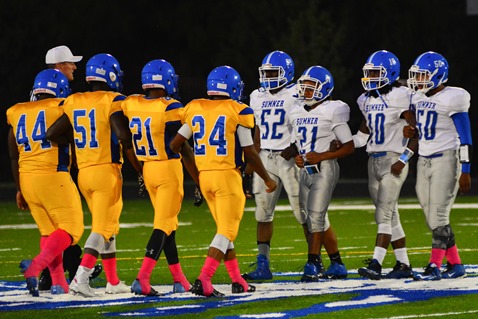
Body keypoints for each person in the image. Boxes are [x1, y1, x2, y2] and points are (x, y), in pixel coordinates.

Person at [170, 66, 277, 297]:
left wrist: (197, 178)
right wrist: (267, 178)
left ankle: (238, 280)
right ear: (234, 88)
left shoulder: (196, 108)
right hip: (227, 176)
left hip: (206, 176)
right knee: (227, 231)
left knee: (223, 231)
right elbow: (249, 152)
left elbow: (175, 144)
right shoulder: (237, 111)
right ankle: (204, 279)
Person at [46, 53, 143, 297]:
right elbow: (122, 136)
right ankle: (81, 278)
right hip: (105, 172)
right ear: (110, 75)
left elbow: (52, 133)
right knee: (102, 227)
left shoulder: (75, 100)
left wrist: (78, 144)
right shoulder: (112, 100)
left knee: (108, 226)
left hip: (84, 173)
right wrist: (139, 167)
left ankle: (112, 281)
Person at [242, 50, 340, 281]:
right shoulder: (257, 95)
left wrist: (299, 147)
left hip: (291, 161)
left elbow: (316, 116)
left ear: (286, 72)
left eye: (273, 72)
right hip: (265, 158)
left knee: (305, 214)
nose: (268, 77)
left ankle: (321, 262)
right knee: (262, 214)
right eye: (265, 72)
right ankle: (263, 265)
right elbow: (257, 132)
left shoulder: (298, 91)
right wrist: (250, 166)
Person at [121, 59, 199, 296]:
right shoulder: (170, 107)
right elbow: (183, 147)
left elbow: (126, 139)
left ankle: (179, 279)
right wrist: (198, 179)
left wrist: (138, 171)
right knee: (164, 225)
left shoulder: (132, 103)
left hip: (147, 168)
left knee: (168, 225)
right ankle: (142, 278)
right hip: (167, 170)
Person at [7, 69, 84, 297]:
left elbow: (13, 154)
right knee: (72, 229)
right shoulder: (61, 106)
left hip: (26, 178)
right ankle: (35, 267)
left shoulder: (17, 111)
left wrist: (19, 188)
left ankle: (59, 283)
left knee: (48, 231)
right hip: (52, 175)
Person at [38, 45, 103, 291]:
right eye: (70, 63)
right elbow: (52, 132)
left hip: (38, 167)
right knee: (69, 225)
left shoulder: (40, 92)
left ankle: (65, 269)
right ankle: (53, 270)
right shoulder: (57, 96)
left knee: (55, 225)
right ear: (58, 67)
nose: (74, 67)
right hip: (52, 167)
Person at [404, 51, 471, 280]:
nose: (418, 80)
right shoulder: (418, 97)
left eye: (423, 76)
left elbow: (466, 136)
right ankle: (456, 265)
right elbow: (420, 129)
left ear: (438, 75)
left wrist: (466, 169)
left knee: (438, 217)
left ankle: (434, 266)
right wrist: (411, 131)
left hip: (446, 159)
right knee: (431, 216)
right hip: (423, 160)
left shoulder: (454, 97)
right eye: (417, 75)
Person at [350, 50, 416, 280]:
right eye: (369, 73)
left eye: (376, 72)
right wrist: (340, 145)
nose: (370, 77)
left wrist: (404, 158)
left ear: (390, 73)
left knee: (384, 214)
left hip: (393, 159)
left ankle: (376, 262)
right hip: (373, 161)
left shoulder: (401, 95)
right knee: (391, 214)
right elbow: (362, 135)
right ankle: (403, 264)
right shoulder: (365, 99)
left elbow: (416, 131)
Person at [289, 66, 352, 281]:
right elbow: (300, 144)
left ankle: (313, 262)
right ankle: (337, 263)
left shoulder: (333, 109)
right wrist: (299, 156)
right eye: (304, 87)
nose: (306, 91)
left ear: (324, 88)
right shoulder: (296, 111)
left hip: (325, 168)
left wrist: (322, 156)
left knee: (315, 217)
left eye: (311, 87)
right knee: (315, 219)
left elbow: (349, 146)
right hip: (305, 169)